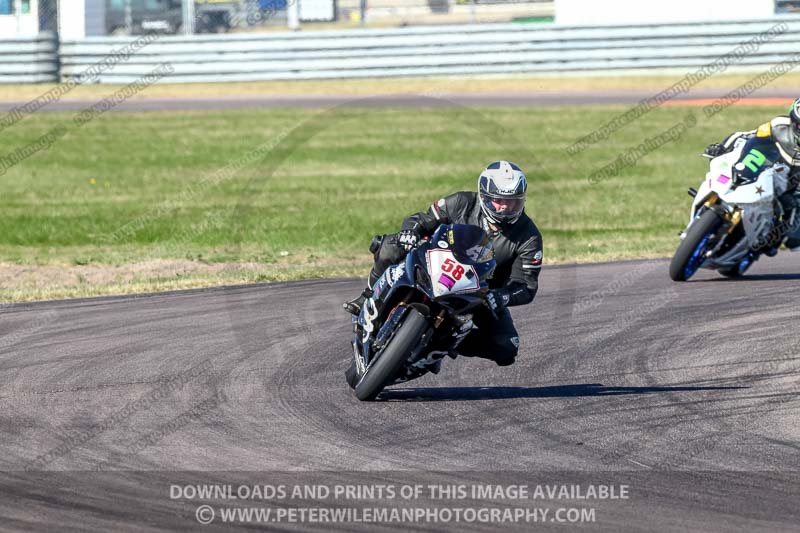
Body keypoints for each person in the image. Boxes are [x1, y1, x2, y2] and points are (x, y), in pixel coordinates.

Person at [343, 160, 543, 367]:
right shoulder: (461, 202)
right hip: (435, 264)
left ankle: (444, 344)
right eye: (498, 200)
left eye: (513, 201)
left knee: (507, 347)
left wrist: (502, 296)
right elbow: (421, 219)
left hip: (479, 293)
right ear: (484, 195)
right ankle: (367, 296)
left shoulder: (529, 237)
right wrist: (410, 232)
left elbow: (526, 286)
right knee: (389, 246)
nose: (505, 207)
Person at [704, 97, 800, 251]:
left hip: (795, 186)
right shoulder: (778, 125)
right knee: (735, 166)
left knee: (794, 237)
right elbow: (747, 136)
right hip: (771, 166)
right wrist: (722, 148)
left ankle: (772, 237)